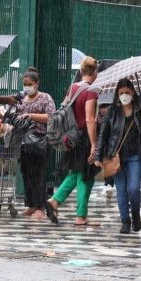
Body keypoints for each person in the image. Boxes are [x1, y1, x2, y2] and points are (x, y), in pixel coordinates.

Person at [47, 56, 100, 226]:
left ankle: (54, 201)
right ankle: (81, 215)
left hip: (71, 137)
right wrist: (94, 144)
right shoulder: (91, 91)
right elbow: (89, 119)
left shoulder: (73, 88)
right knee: (86, 175)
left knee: (75, 173)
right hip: (84, 137)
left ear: (81, 71)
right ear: (95, 72)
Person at [95, 78, 141, 234]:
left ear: (133, 92)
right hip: (116, 156)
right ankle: (125, 221)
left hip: (135, 156)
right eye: (121, 93)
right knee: (121, 190)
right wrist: (98, 156)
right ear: (117, 95)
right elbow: (103, 134)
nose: (124, 95)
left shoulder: (140, 109)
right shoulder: (112, 112)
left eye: (127, 92)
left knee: (134, 189)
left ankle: (136, 215)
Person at [15, 68, 56, 221]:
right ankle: (31, 203)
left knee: (38, 173)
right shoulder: (21, 100)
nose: (27, 87)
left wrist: (31, 116)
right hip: (24, 141)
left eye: (30, 84)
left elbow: (51, 116)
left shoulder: (45, 98)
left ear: (37, 84)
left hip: (41, 140)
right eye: (25, 84)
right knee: (26, 173)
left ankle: (40, 207)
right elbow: (16, 115)